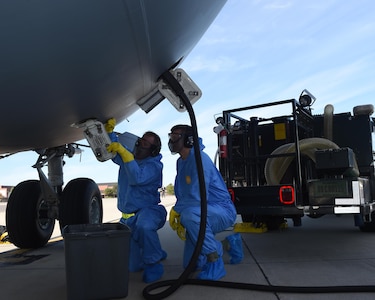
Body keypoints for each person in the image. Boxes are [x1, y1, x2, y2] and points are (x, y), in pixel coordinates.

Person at [168, 124, 243, 280]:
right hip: (201, 210)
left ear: (189, 140)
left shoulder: (199, 159)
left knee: (189, 216)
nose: (171, 140)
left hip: (221, 210)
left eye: (175, 136)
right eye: (171, 136)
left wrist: (179, 211)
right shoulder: (181, 161)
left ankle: (215, 262)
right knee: (190, 265)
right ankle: (229, 244)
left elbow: (197, 196)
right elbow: (184, 192)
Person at [105, 118, 167, 283]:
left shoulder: (154, 166)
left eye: (145, 143)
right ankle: (156, 250)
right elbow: (115, 153)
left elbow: (137, 178)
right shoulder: (128, 159)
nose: (139, 144)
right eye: (140, 140)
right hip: (128, 217)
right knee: (133, 267)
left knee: (145, 227)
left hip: (148, 212)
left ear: (153, 150)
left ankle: (154, 264)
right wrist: (110, 133)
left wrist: (125, 154)